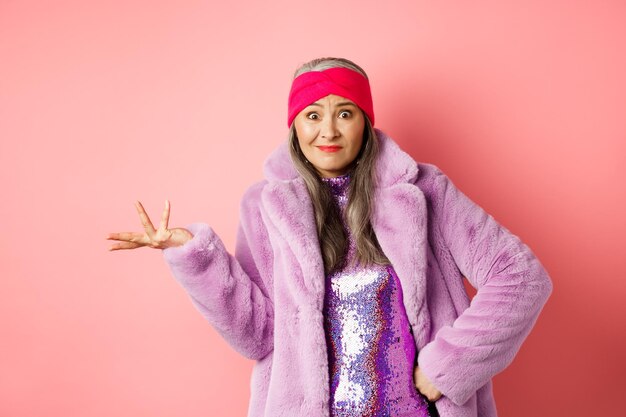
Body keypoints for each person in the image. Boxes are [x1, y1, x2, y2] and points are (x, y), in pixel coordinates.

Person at [106, 57, 553, 417]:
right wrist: (194, 257)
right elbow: (259, 335)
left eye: (345, 113)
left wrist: (450, 366)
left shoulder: (423, 191)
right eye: (312, 115)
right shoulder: (265, 206)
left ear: (366, 121)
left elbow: (520, 276)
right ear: (295, 127)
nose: (329, 131)